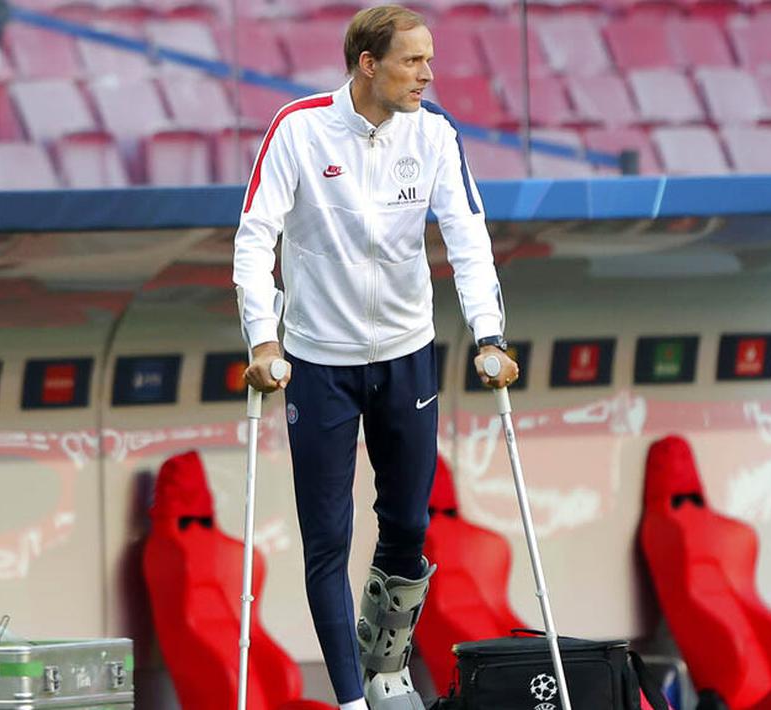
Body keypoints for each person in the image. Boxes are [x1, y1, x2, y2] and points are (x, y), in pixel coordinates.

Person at [232, 5, 519, 709]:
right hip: (318, 362)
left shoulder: (435, 133)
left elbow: (468, 237)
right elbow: (252, 240)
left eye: (428, 59)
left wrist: (488, 334)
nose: (427, 73)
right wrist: (262, 340)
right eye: (412, 61)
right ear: (367, 63)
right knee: (327, 536)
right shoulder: (299, 128)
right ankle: (352, 700)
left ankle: (386, 663)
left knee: (410, 524)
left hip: (405, 353)